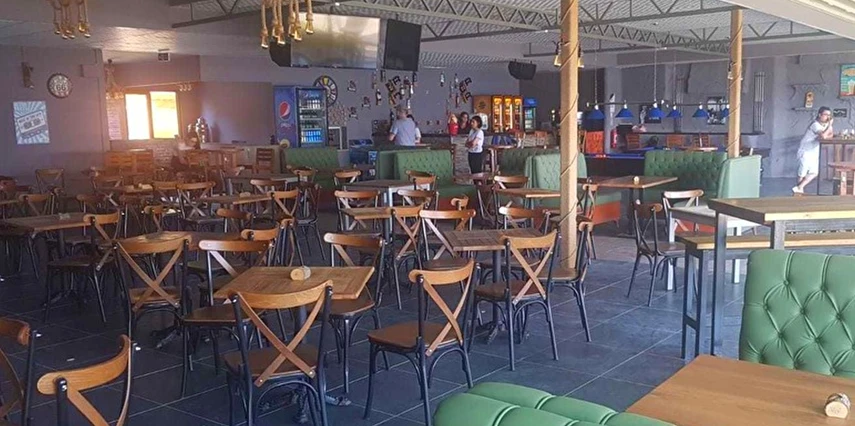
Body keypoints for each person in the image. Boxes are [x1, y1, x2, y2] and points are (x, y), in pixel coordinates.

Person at [794, 106, 834, 194]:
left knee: (814, 173)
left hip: (814, 152)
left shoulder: (825, 125)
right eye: (826, 115)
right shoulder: (815, 124)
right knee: (802, 173)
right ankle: (799, 191)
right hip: (805, 150)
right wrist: (829, 127)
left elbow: (831, 135)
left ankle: (799, 187)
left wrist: (828, 127)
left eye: (829, 115)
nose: (828, 117)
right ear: (820, 115)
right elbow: (824, 136)